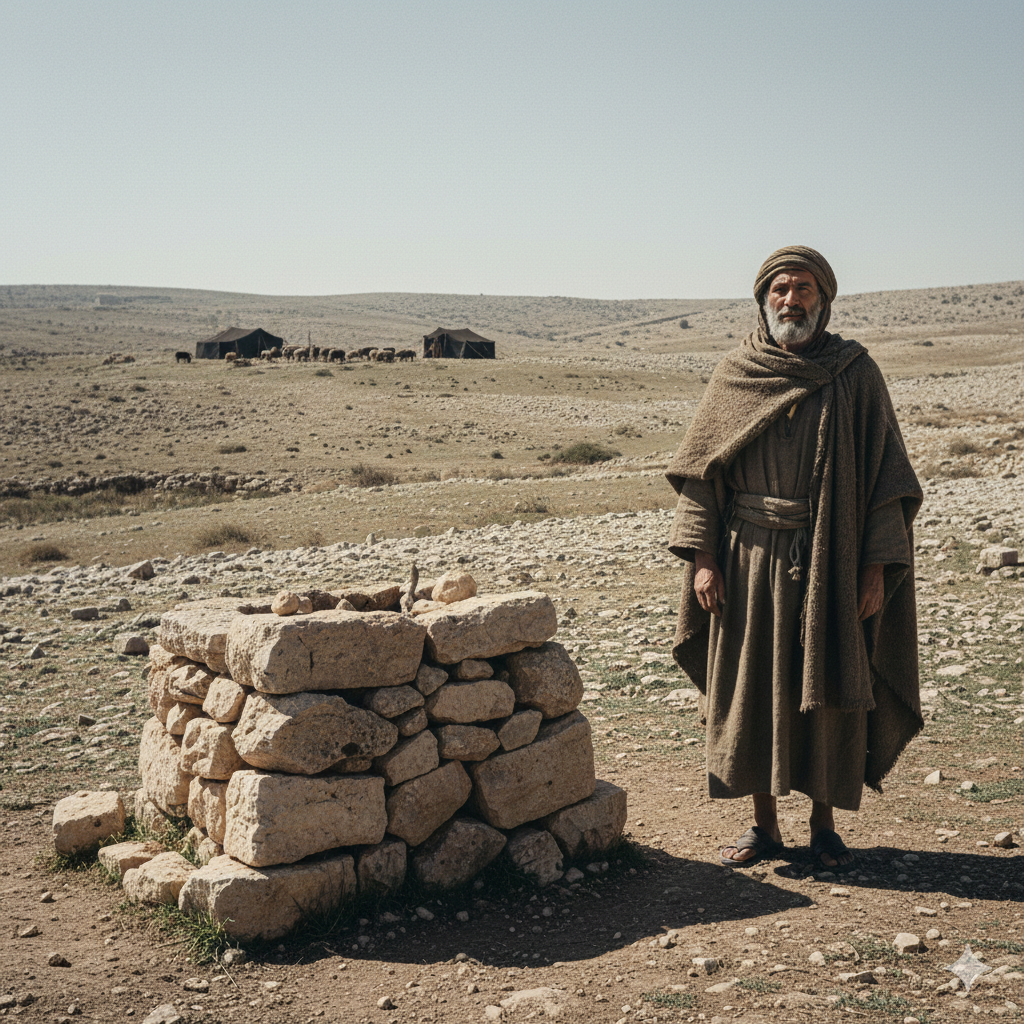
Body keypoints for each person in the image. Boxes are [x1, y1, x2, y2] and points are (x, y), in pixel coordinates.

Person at [666, 245, 923, 873]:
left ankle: (825, 827)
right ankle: (763, 827)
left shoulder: (855, 374)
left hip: (831, 555)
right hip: (747, 557)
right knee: (754, 691)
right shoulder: (737, 373)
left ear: (823, 300)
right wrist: (704, 559)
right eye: (780, 289)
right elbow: (701, 476)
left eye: (803, 289)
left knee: (830, 689)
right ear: (762, 299)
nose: (791, 300)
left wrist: (874, 570)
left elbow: (887, 481)